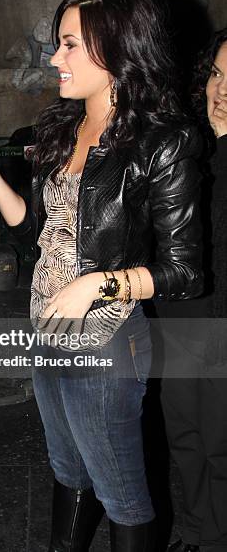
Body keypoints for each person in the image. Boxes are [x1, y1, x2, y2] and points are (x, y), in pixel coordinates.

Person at [0, 0, 203, 552]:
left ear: (117, 48)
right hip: (45, 331)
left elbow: (187, 271)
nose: (54, 58)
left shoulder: (163, 141)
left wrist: (98, 283)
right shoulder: (61, 128)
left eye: (70, 45)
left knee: (122, 490)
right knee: (67, 469)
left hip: (106, 340)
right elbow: (38, 231)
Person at [162, 28, 227, 552]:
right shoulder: (189, 140)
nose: (221, 89)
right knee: (184, 433)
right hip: (184, 313)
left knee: (221, 441)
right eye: (218, 74)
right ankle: (197, 526)